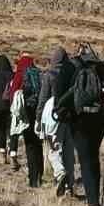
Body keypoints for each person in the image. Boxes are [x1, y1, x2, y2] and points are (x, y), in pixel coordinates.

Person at [54, 43, 104, 206]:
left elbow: (59, 94)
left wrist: (64, 113)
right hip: (98, 120)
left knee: (86, 159)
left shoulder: (68, 67)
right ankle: (94, 202)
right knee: (93, 157)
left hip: (77, 119)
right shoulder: (100, 66)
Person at [6, 53, 44, 186]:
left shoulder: (20, 74)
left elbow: (12, 93)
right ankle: (40, 174)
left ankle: (33, 179)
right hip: (39, 112)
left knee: (30, 146)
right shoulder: (39, 73)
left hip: (26, 113)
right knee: (38, 144)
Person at [40, 48, 74, 196]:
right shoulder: (72, 73)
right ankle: (69, 187)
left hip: (53, 116)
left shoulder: (49, 75)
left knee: (54, 150)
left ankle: (60, 174)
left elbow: (43, 98)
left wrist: (38, 117)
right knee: (69, 153)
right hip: (70, 116)